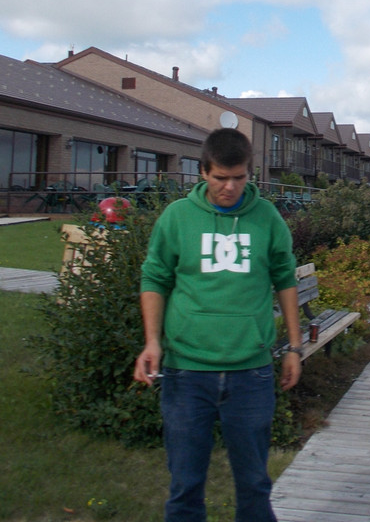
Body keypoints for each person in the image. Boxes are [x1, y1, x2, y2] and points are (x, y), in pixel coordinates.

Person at [134, 128, 303, 522]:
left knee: (254, 486)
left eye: (240, 178)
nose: (230, 187)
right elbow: (155, 278)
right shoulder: (177, 218)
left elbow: (285, 278)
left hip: (251, 373)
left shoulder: (266, 218)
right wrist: (151, 342)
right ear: (203, 172)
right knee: (185, 487)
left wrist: (294, 347)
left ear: (250, 174)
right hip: (186, 373)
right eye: (220, 177)